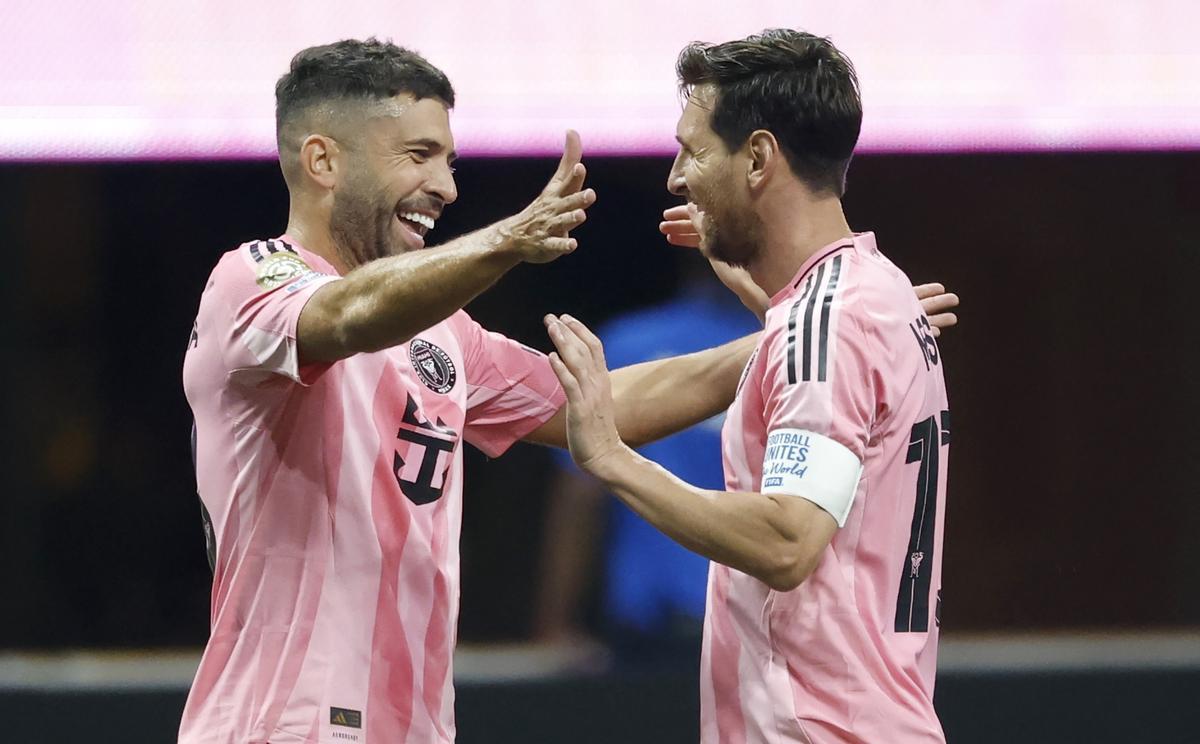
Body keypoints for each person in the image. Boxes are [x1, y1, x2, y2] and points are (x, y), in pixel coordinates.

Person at [180, 39, 763, 743]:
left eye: (448, 162)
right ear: (323, 161)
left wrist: (800, 331)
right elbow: (347, 315)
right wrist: (509, 239)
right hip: (280, 725)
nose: (447, 188)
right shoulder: (250, 282)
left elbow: (609, 405)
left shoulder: (444, 336)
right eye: (418, 155)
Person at [546, 29, 952, 743]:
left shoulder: (827, 320)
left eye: (694, 151)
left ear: (758, 158)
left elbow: (787, 541)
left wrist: (611, 457)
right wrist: (779, 319)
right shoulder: (876, 292)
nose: (678, 177)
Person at [533, 264, 761, 658]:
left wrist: (554, 623)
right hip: (750, 619)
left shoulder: (625, 345)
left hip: (653, 624)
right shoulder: (801, 351)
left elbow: (579, 500)